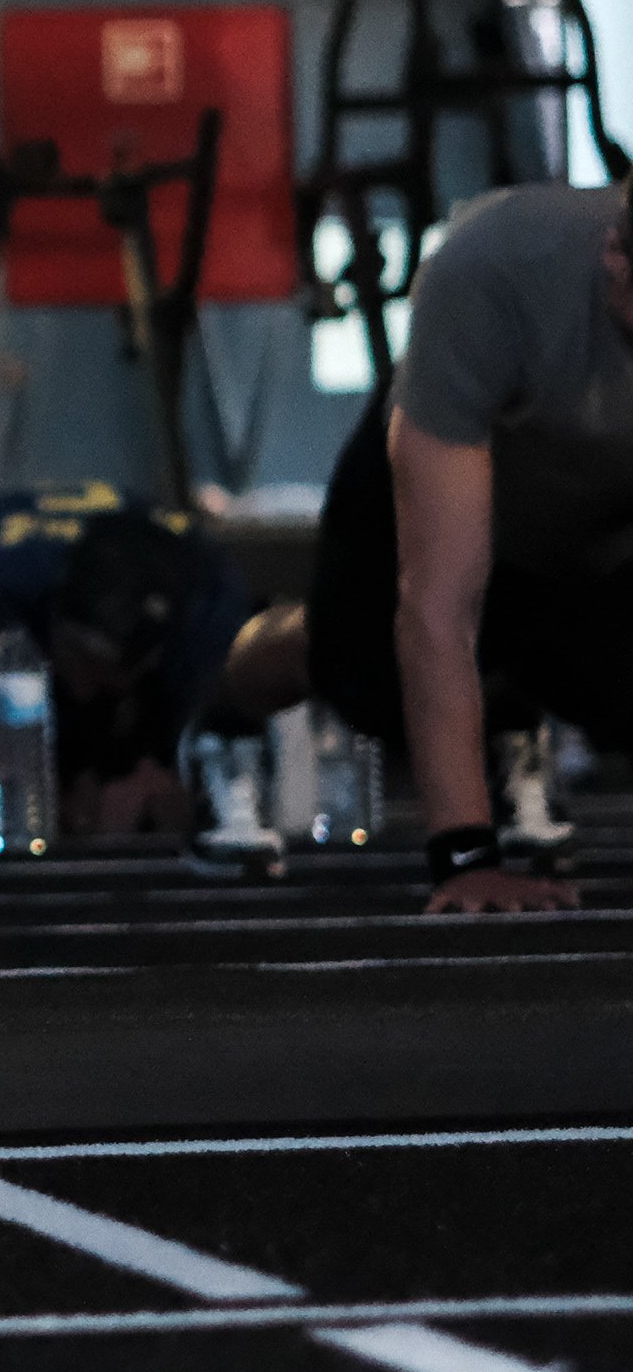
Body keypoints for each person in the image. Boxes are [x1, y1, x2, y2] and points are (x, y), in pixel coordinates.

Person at [224, 182, 633, 913]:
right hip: (446, 504)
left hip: (591, 530)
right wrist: (466, 859)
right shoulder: (497, 270)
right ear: (615, 262)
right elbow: (436, 605)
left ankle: (508, 711)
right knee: (366, 677)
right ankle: (233, 697)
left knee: (606, 690)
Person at [0, 483, 245, 840]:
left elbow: (199, 753)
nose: (85, 684)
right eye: (80, 658)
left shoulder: (212, 603)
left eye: (105, 671)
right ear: (55, 614)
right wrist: (50, 815)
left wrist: (166, 776)